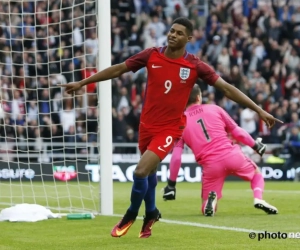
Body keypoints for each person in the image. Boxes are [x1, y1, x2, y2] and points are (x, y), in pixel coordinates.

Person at [60, 17, 282, 238]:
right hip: (146, 125)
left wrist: (259, 110)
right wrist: (82, 83)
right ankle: (152, 213)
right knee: (149, 174)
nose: (173, 35)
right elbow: (119, 69)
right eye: (172, 31)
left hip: (169, 129)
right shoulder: (151, 55)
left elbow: (227, 89)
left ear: (189, 38)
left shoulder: (194, 65)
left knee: (140, 171)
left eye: (178, 33)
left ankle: (130, 214)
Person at [162, 84, 278, 216]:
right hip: (232, 155)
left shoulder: (179, 123)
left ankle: (210, 201)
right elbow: (237, 132)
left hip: (211, 166)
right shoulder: (215, 109)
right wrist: (255, 145)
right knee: (256, 173)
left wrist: (171, 184)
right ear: (199, 97)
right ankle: (258, 198)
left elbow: (176, 157)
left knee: (206, 206)